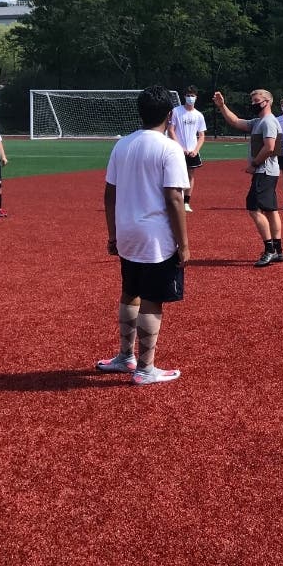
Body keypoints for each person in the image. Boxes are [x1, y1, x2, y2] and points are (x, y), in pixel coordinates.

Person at [96, 85, 190, 386]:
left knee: (129, 292)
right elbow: (175, 198)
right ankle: (146, 368)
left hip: (127, 232)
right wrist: (184, 244)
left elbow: (109, 194)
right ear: (169, 115)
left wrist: (113, 233)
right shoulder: (169, 148)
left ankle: (126, 356)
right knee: (152, 300)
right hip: (155, 237)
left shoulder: (122, 144)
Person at [213, 88, 283, 266]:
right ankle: (278, 250)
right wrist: (222, 106)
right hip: (269, 171)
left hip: (264, 171)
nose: (253, 103)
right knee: (270, 210)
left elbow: (269, 147)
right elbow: (236, 122)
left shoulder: (268, 121)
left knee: (254, 208)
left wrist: (253, 165)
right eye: (252, 100)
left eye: (257, 100)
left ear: (267, 101)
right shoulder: (259, 121)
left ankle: (269, 250)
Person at [167, 85, 206, 213]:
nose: (190, 98)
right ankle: (174, 200)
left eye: (192, 96)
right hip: (178, 149)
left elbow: (201, 136)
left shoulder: (199, 115)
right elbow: (171, 130)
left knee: (190, 175)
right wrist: (180, 148)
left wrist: (195, 150)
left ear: (196, 97)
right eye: (188, 95)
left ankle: (186, 202)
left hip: (192, 150)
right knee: (175, 174)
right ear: (184, 97)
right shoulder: (176, 111)